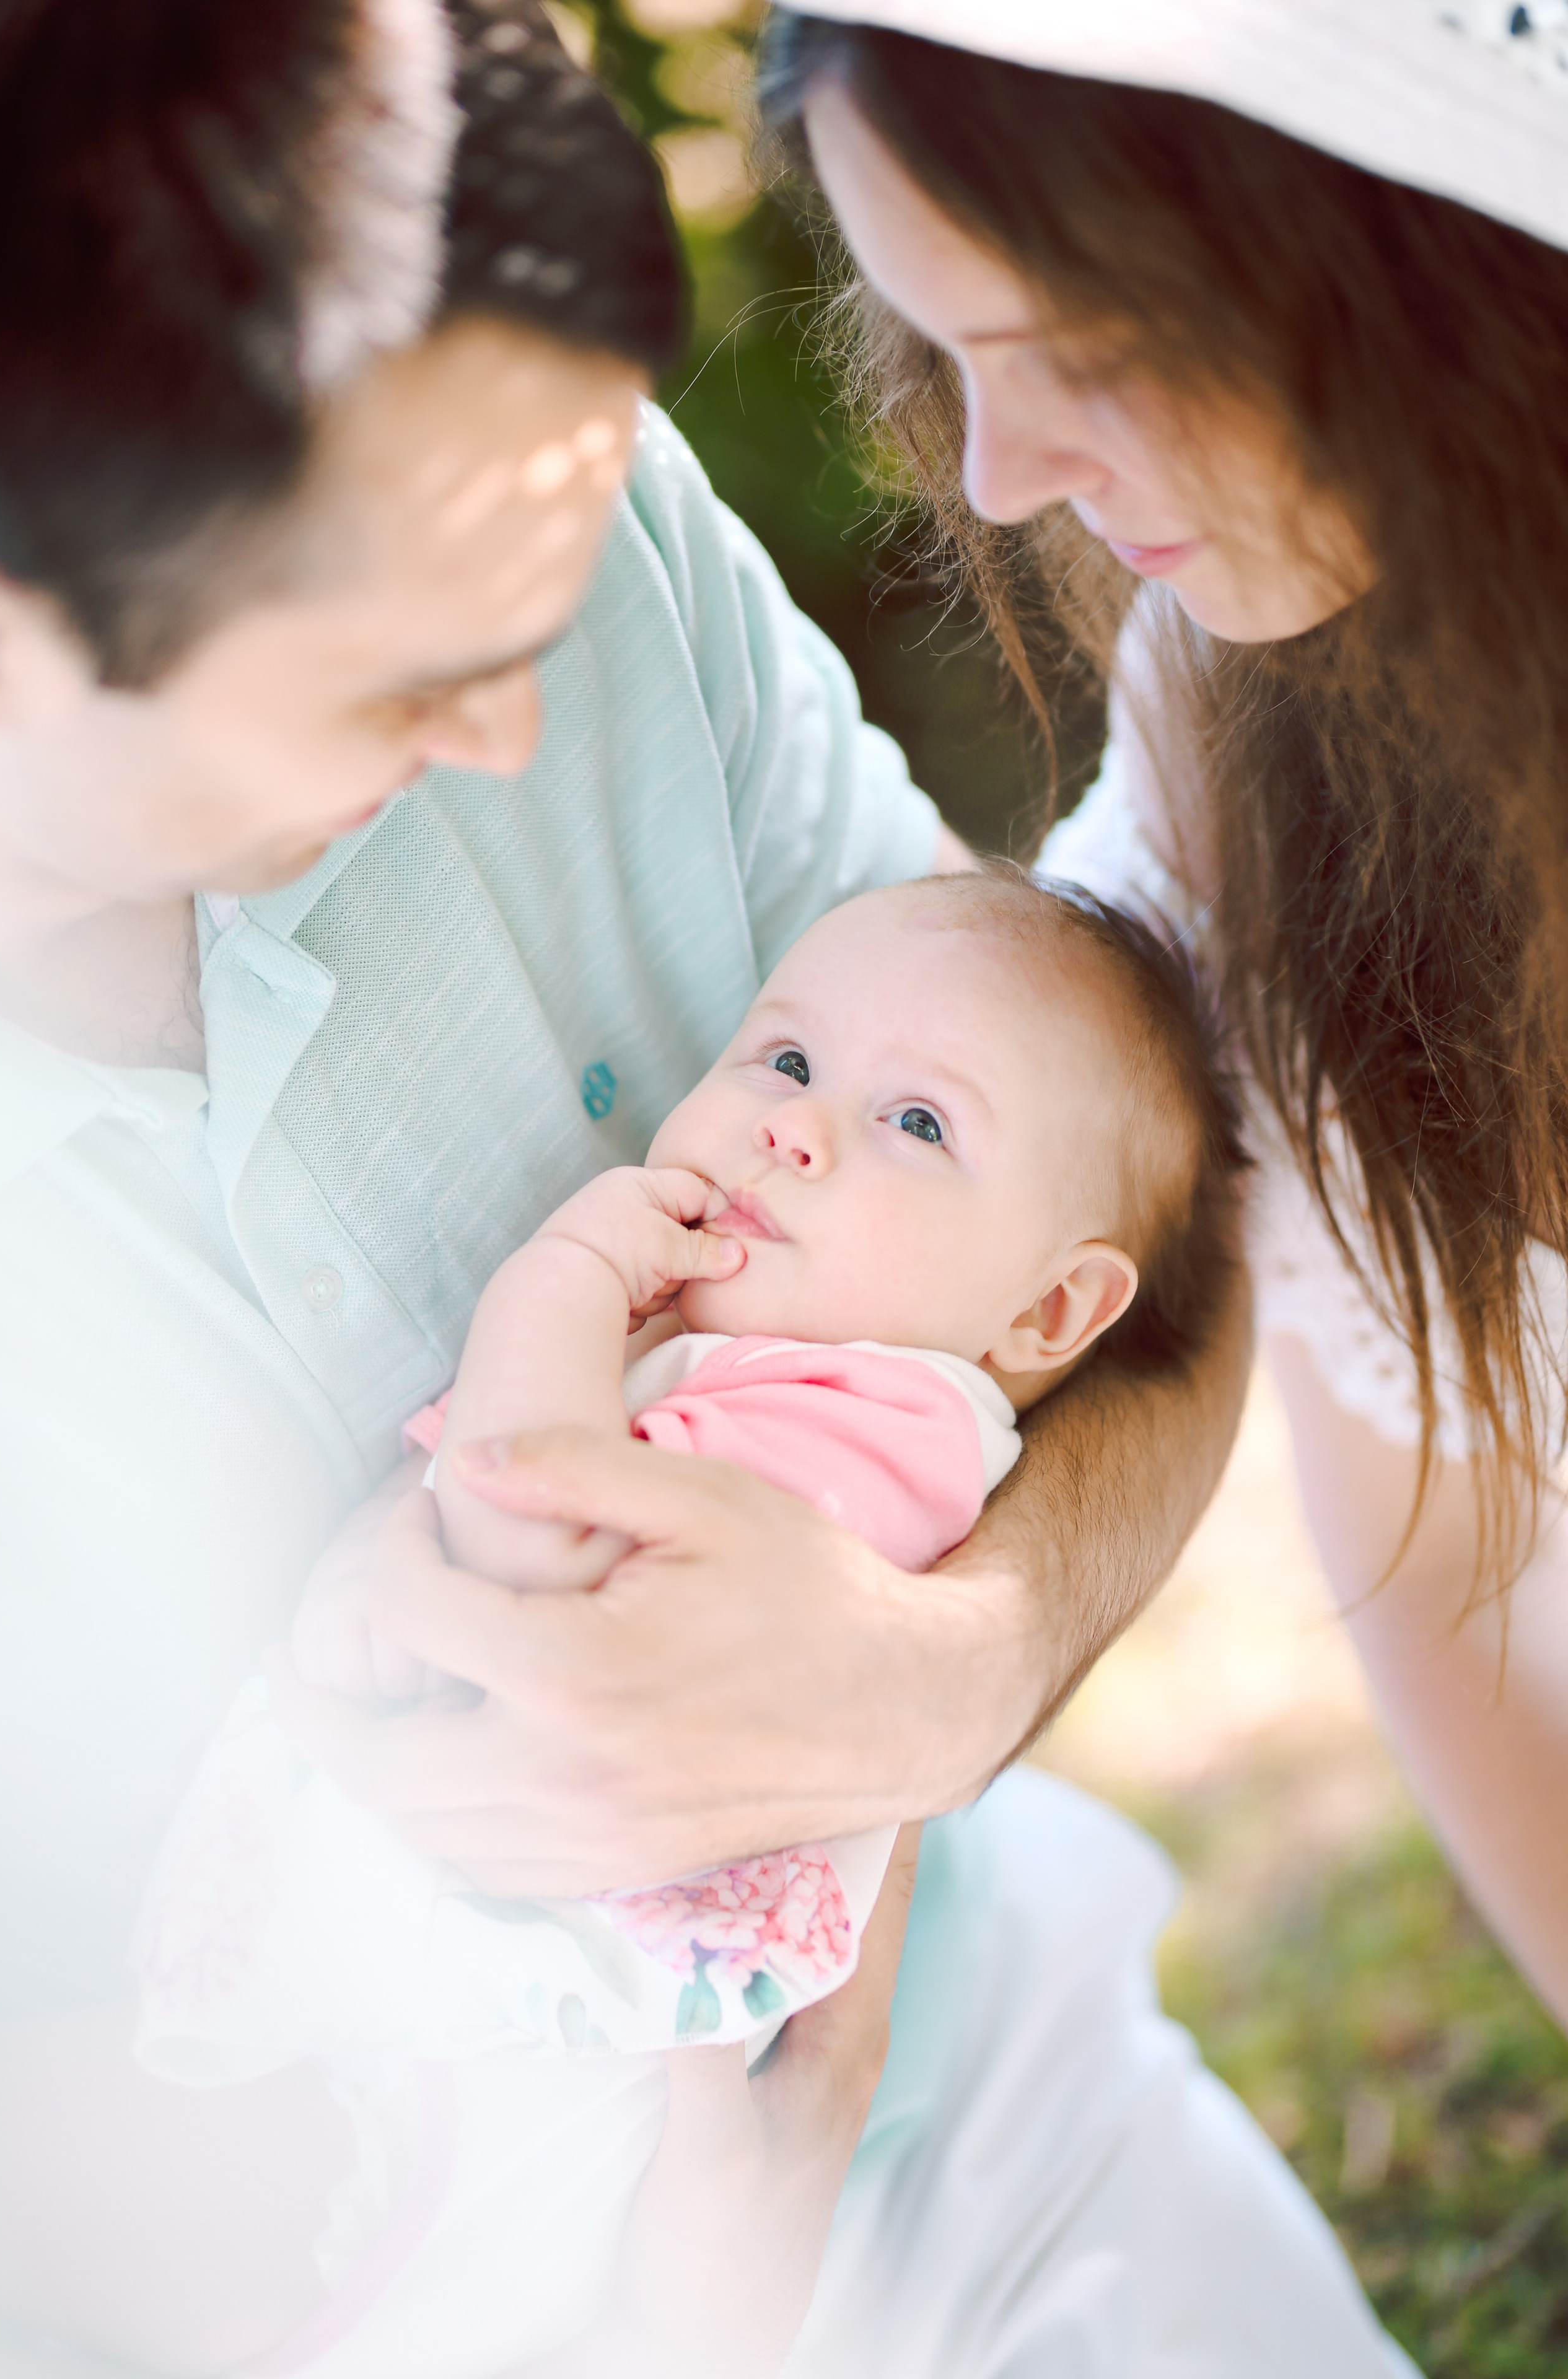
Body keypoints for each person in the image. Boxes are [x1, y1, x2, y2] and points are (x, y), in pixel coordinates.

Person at [0, 0, 1412, 2372]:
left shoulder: (563, 506)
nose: (519, 732)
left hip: (959, 2086)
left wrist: (950, 1669)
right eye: (405, 669)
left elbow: (1137, 1249)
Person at [126, 870, 1245, 2377]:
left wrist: (565, 1280)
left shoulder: (876, 1427)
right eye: (784, 1059)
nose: (796, 1128)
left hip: (553, 2070)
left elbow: (530, 1529)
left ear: (1045, 1316)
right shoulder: (768, 1376)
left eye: (918, 1124)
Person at [763, 0, 1568, 2090]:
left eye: (1089, 348)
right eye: (952, 356)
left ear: (1407, 240)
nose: (998, 471)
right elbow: (1445, 1569)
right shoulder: (1238, 740)